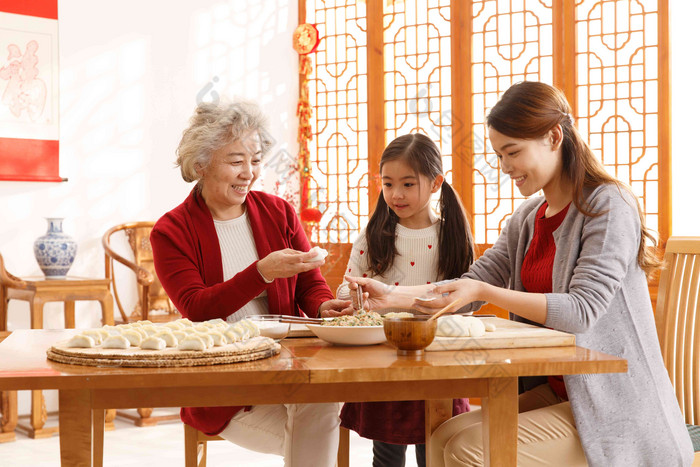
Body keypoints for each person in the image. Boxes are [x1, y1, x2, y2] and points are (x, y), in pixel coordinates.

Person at [345, 82, 694, 466]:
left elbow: (581, 311)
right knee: (444, 433)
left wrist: (485, 290)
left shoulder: (608, 205)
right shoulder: (528, 217)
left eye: (512, 152)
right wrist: (391, 297)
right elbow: (470, 288)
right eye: (499, 155)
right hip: (563, 392)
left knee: (466, 449)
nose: (505, 166)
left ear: (554, 137)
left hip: (615, 405)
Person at [150, 100, 350, 467]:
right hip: (224, 386)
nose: (249, 173)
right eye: (236, 160)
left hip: (286, 365)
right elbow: (197, 307)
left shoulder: (278, 212)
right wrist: (261, 272)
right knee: (318, 422)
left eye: (256, 160)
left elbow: (310, 283)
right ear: (200, 164)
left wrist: (324, 306)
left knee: (321, 401)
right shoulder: (171, 231)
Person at [334, 133, 476, 467]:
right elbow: (345, 288)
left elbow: (466, 300)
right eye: (387, 184)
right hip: (386, 360)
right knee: (386, 456)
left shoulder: (451, 237)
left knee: (437, 450)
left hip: (439, 362)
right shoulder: (372, 237)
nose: (396, 194)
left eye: (408, 184)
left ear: (436, 182)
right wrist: (355, 294)